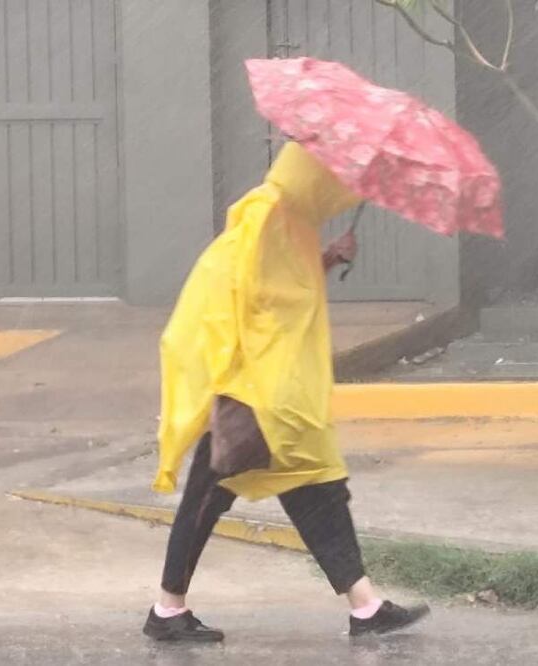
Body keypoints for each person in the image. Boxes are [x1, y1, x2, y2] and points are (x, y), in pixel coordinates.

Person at [144, 142, 429, 643]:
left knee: (318, 492)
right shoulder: (267, 214)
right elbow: (243, 291)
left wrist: (324, 259)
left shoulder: (292, 221)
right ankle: (168, 609)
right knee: (211, 497)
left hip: (283, 391)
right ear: (312, 176)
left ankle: (365, 606)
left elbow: (280, 284)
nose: (341, 183)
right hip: (256, 392)